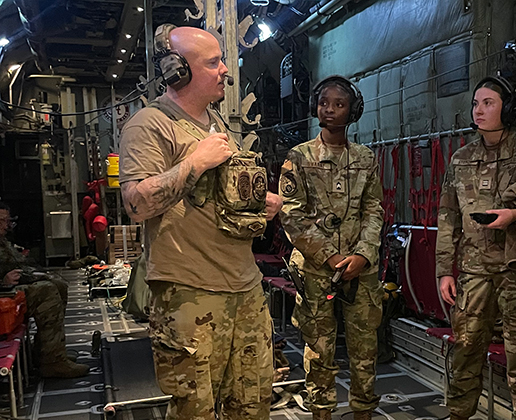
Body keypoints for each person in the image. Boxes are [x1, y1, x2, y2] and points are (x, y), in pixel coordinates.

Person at [119, 25, 282, 419]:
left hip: (243, 286)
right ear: (179, 71)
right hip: (190, 293)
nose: (226, 69)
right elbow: (136, 205)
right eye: (213, 62)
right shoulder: (149, 124)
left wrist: (260, 201)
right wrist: (193, 162)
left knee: (252, 403)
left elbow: (220, 198)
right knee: (195, 409)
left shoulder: (217, 125)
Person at [436, 75, 516, 420]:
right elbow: (447, 216)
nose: (479, 110)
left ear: (507, 108)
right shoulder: (461, 158)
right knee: (465, 351)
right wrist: (444, 270)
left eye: (488, 103)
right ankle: (459, 413)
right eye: (476, 103)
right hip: (474, 271)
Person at [279, 76, 384, 420]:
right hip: (315, 271)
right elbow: (291, 214)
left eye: (340, 104)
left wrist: (363, 255)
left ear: (353, 110)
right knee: (319, 351)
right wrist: (331, 256)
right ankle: (321, 412)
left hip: (360, 270)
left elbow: (374, 210)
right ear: (315, 107)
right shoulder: (300, 157)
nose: (331, 110)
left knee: (364, 349)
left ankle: (363, 412)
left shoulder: (365, 158)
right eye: (325, 103)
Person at [0, 201, 89, 378]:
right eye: (2, 221)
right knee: (46, 291)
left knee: (58, 284)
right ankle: (52, 362)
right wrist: (2, 281)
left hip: (11, 287)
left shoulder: (3, 241)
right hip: (4, 292)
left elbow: (17, 263)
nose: (6, 226)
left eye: (7, 221)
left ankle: (48, 351)